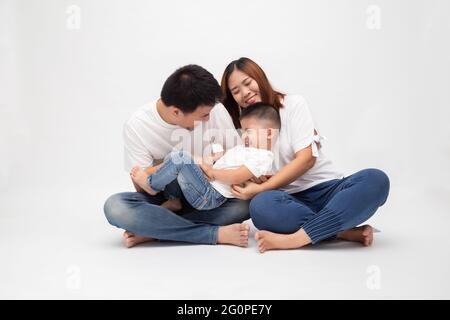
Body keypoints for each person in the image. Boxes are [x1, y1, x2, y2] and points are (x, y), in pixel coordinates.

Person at [221, 57, 390, 253]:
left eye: (248, 83)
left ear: (260, 78)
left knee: (375, 179)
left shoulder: (293, 104)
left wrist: (264, 185)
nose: (245, 93)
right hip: (290, 202)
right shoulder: (242, 128)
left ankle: (295, 240)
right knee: (260, 207)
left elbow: (306, 159)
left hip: (328, 190)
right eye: (236, 91)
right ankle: (341, 231)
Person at [103, 64, 250, 248]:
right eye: (203, 115)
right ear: (176, 112)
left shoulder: (215, 110)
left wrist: (213, 165)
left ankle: (156, 230)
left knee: (244, 205)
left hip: (207, 193)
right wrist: (191, 161)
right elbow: (143, 189)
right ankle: (213, 233)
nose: (208, 118)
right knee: (115, 207)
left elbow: (239, 158)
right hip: (165, 198)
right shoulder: (138, 126)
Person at [130, 103, 279, 211]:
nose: (245, 135)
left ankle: (151, 185)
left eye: (249, 131)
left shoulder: (263, 156)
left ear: (269, 133)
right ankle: (173, 200)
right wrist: (212, 157)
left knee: (181, 158)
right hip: (206, 184)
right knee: (173, 156)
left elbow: (236, 176)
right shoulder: (246, 149)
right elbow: (226, 157)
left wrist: (213, 172)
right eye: (244, 131)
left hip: (210, 196)